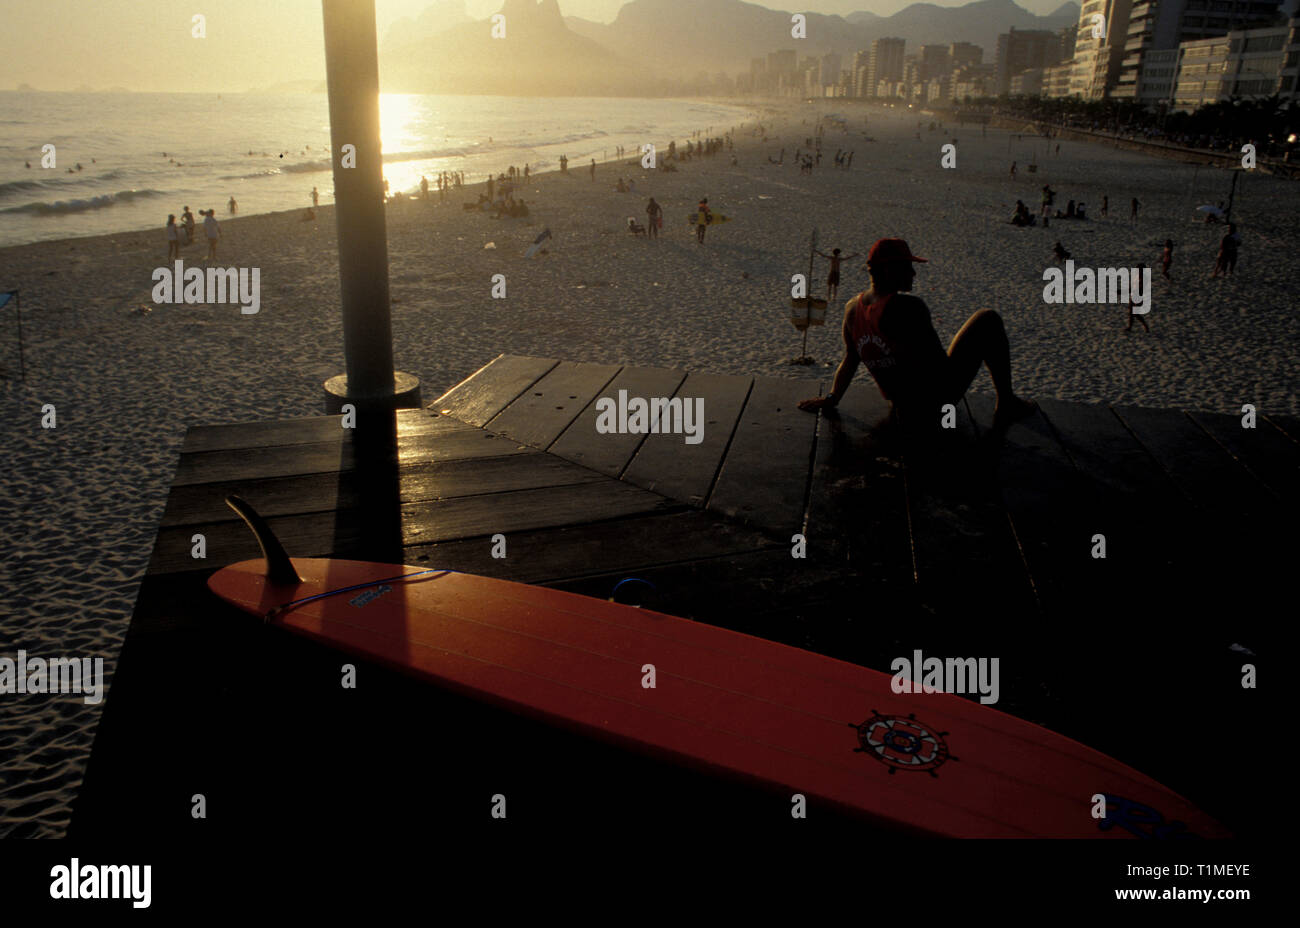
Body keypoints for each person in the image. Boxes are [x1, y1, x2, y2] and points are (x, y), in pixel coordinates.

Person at [797, 238, 1035, 433]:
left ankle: (1006, 401)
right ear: (890, 271)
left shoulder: (852, 308)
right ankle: (1006, 402)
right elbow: (939, 368)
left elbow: (850, 359)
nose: (913, 273)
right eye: (907, 267)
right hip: (932, 402)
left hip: (898, 399)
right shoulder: (908, 308)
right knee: (987, 318)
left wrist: (832, 397)